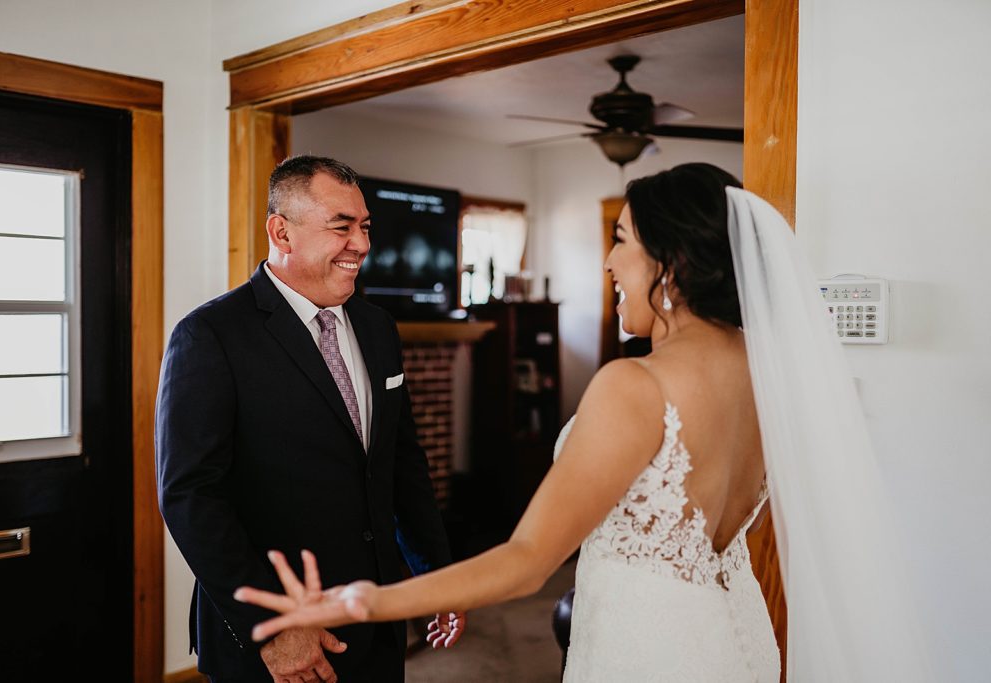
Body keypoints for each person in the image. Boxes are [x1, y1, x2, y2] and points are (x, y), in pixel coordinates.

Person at [235, 163, 933, 681]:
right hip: (735, 643)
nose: (607, 261)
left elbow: (525, 562)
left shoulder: (636, 384)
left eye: (622, 239)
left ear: (673, 261)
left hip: (648, 651)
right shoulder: (769, 375)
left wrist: (365, 601)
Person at [156, 155, 464, 683]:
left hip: (378, 617)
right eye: (341, 226)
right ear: (282, 232)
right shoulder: (210, 335)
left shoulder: (378, 327)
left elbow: (401, 463)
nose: (362, 244)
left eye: (364, 226)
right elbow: (190, 495)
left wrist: (437, 577)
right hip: (280, 640)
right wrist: (274, 626)